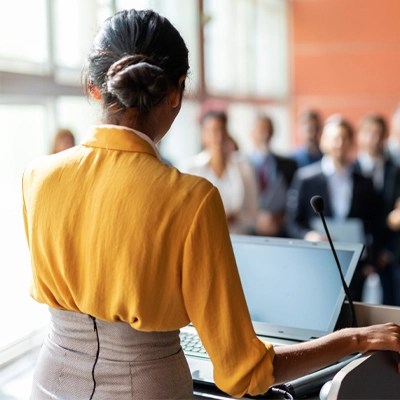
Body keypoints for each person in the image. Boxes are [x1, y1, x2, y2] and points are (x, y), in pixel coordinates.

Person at [21, 9, 400, 400]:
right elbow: (244, 373)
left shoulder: (37, 177)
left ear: (94, 87)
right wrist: (353, 338)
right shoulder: (191, 199)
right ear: (175, 92)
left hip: (50, 384)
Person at [285, 115, 380, 302]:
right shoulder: (305, 179)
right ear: (323, 142)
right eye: (334, 138)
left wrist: (371, 261)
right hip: (319, 262)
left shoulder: (365, 182)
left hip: (355, 264)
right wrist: (308, 235)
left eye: (345, 138)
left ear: (351, 143)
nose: (339, 143)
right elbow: (292, 221)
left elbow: (373, 223)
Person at [180, 109, 258, 234]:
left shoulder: (244, 167)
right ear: (203, 135)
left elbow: (253, 212)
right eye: (213, 131)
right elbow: (185, 213)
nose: (219, 136)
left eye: (222, 129)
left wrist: (236, 218)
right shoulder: (190, 168)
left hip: (239, 238)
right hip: (203, 237)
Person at [353, 114, 400, 305]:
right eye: (370, 133)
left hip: (391, 253)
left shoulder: (396, 171)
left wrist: (386, 250)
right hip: (360, 252)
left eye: (379, 134)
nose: (375, 138)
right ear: (360, 136)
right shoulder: (351, 170)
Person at [248, 114, 297, 236]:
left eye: (268, 130)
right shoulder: (242, 164)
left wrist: (280, 217)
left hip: (279, 229)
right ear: (252, 133)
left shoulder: (288, 164)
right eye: (260, 130)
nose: (264, 135)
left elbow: (294, 198)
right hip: (250, 230)